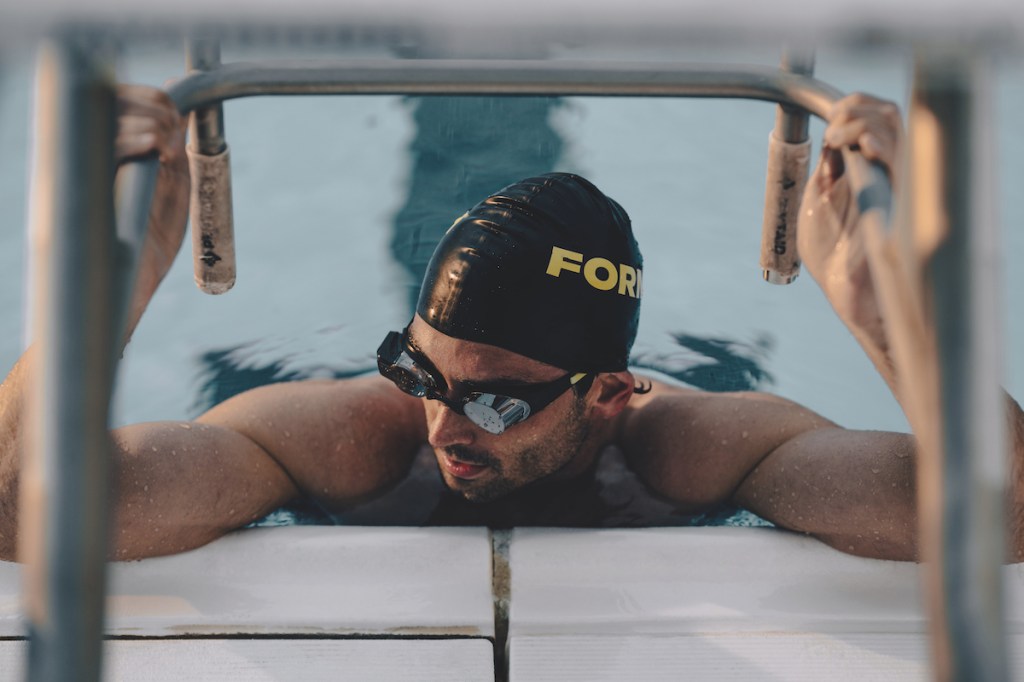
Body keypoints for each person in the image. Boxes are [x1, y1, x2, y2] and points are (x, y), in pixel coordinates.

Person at [0, 87, 1021, 562]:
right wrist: (100, 291)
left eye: (494, 400)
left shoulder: (694, 444)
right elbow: (18, 512)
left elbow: (1006, 522)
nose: (444, 428)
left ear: (611, 394)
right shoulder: (349, 434)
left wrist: (897, 323)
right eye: (422, 373)